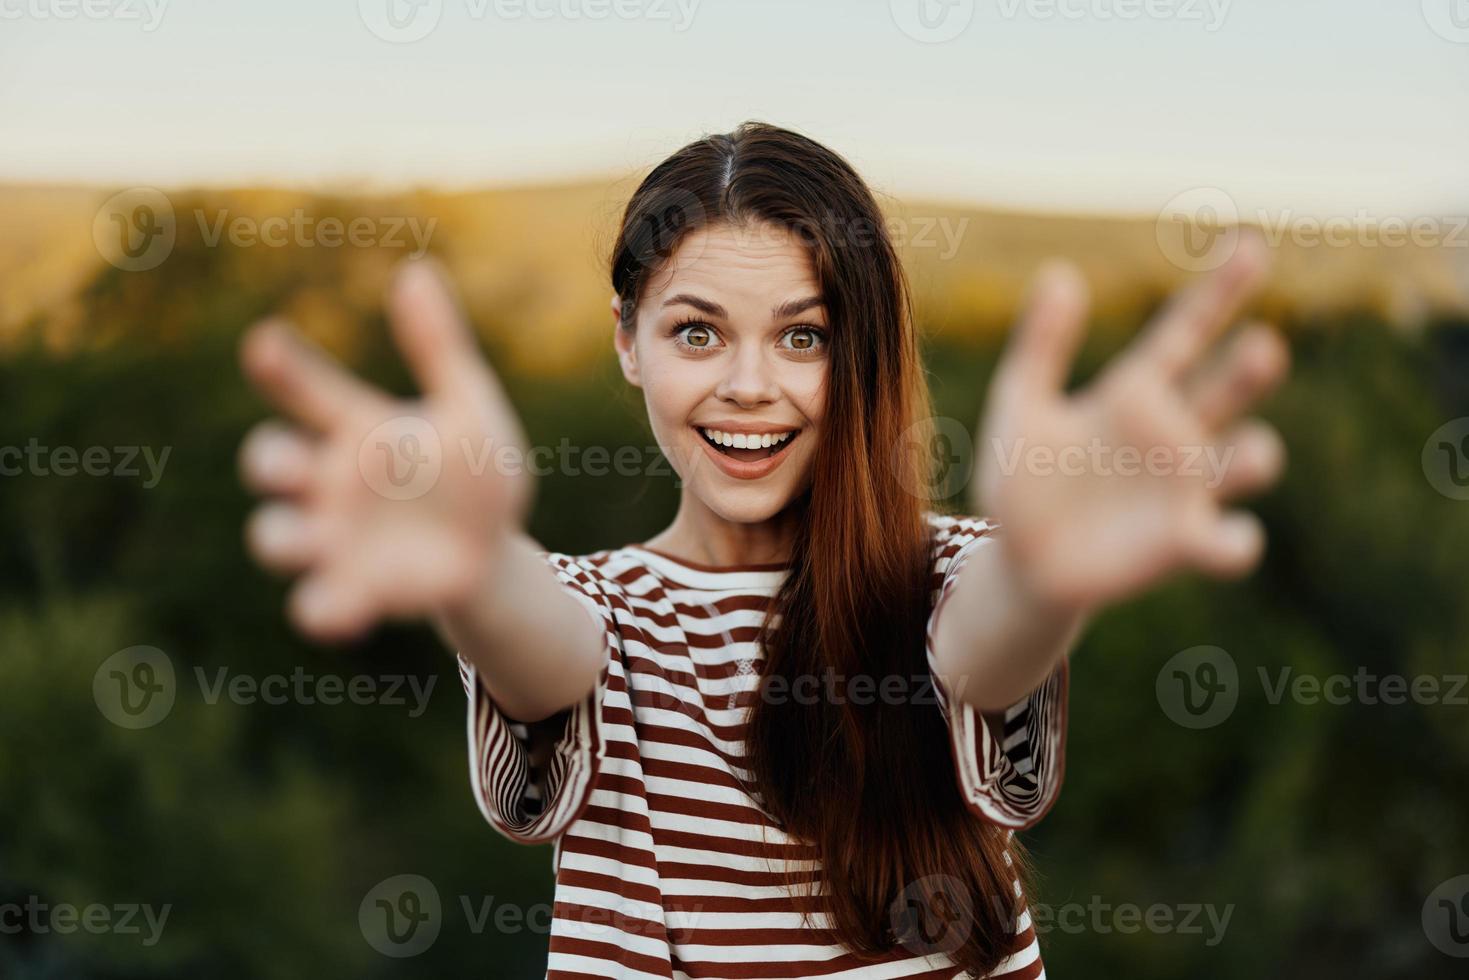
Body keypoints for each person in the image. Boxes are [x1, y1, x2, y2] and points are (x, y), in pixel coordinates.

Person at [236, 122, 1289, 978]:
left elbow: (982, 644)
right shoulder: (594, 609)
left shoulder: (951, 572)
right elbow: (541, 646)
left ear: (860, 349)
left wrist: (1042, 574)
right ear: (625, 340)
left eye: (803, 335)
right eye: (696, 331)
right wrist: (471, 566)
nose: (749, 384)